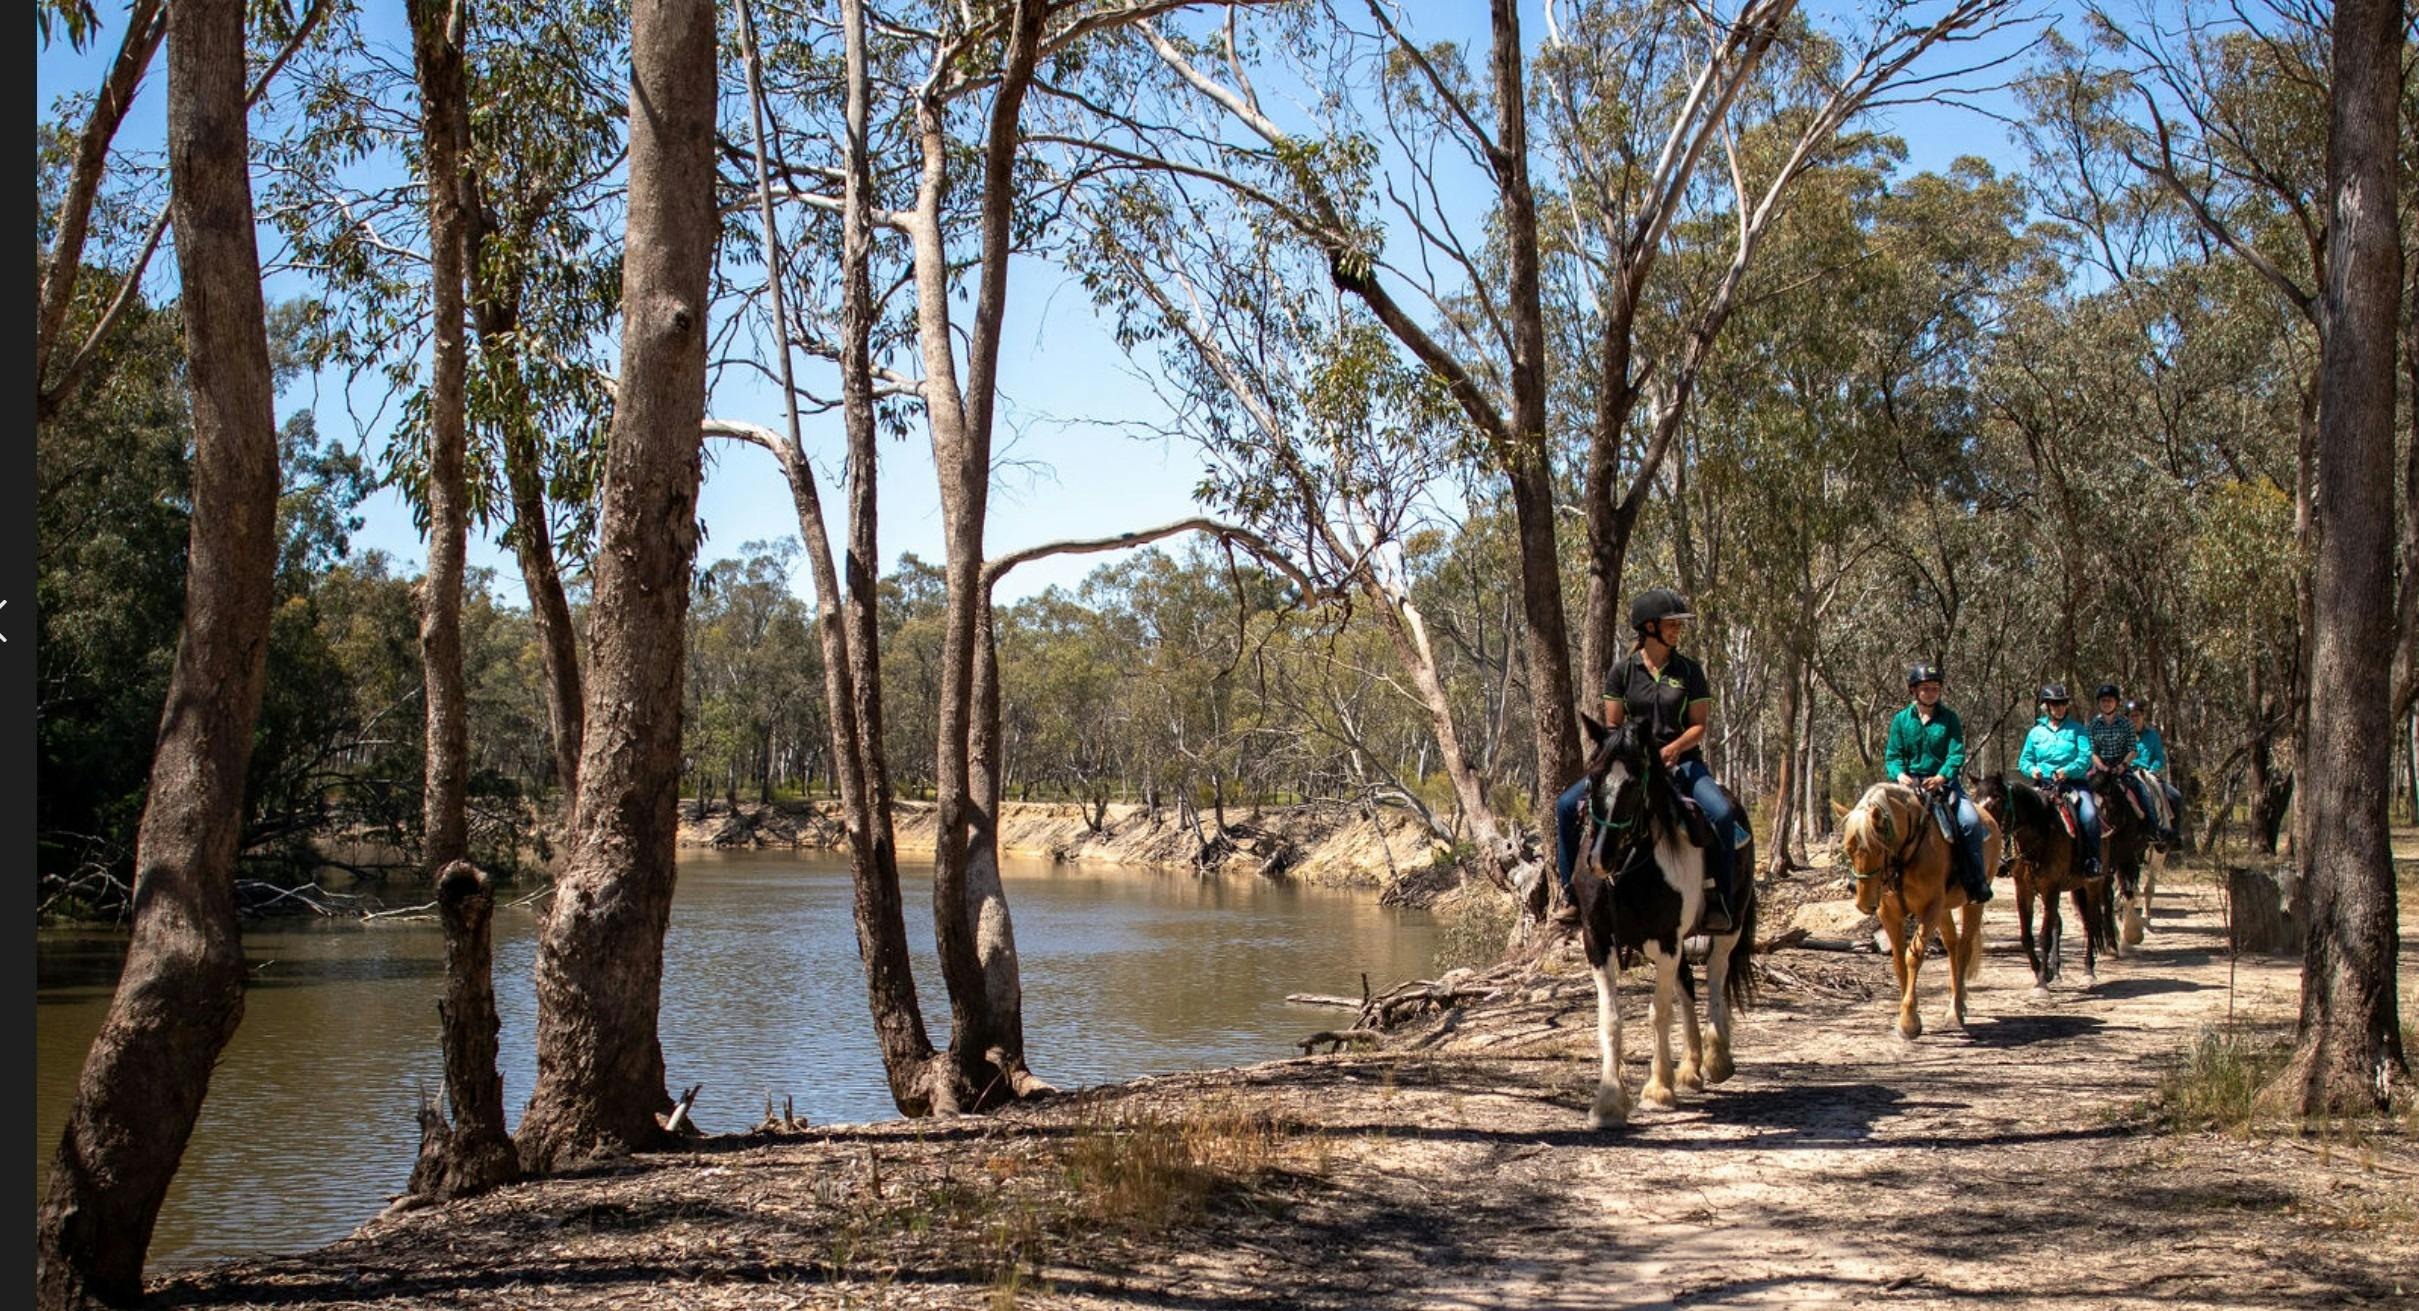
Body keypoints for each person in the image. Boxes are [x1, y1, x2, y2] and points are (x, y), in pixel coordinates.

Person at [1552, 588, 1748, 932]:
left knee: (1721, 813)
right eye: (1671, 623)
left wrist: (1672, 750)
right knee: (1566, 806)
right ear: (1649, 627)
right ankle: (1571, 896)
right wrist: (1634, 755)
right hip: (1631, 766)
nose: (1677, 630)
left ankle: (1718, 900)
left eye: (1677, 624)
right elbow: (1613, 726)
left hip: (1682, 763)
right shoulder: (1622, 672)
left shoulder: (1689, 671)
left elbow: (1699, 725)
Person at [1883, 663, 1991, 903]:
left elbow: (1956, 754)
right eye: (1926, 688)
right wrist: (1899, 774)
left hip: (1943, 784)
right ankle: (1872, 882)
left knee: (1971, 822)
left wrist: (1942, 776)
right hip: (1907, 784)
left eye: (1935, 688)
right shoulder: (1900, 721)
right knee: (1878, 821)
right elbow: (1892, 756)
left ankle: (1975, 881)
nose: (1931, 692)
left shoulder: (1949, 719)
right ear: (1914, 691)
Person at [2018, 684, 2099, 874]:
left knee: (2089, 815)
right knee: (2017, 812)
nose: (2059, 707)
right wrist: (2032, 770)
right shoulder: (2035, 732)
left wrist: (2068, 771)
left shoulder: (2078, 730)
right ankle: (2012, 860)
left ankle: (2092, 859)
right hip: (2043, 785)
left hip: (2074, 784)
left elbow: (2086, 757)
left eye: (2062, 703)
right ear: (2047, 706)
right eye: (2055, 704)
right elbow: (2025, 760)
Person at [2087, 683, 2161, 837]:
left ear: (2116, 703)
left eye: (2110, 700)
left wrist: (2123, 765)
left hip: (2122, 767)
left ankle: (2153, 831)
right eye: (2103, 700)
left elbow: (2132, 749)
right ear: (2099, 703)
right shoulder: (2092, 725)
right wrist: (2101, 766)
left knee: (2143, 792)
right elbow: (2091, 751)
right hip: (2101, 769)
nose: (2106, 703)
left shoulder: (2126, 724)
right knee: (2084, 794)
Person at [2127, 698, 2183, 845]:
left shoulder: (2152, 736)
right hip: (2128, 773)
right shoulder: (2123, 737)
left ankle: (2172, 835)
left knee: (2176, 796)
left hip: (2148, 774)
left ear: (2143, 716)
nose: (2134, 719)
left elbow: (2159, 758)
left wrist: (2151, 770)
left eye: (2137, 715)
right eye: (2131, 716)